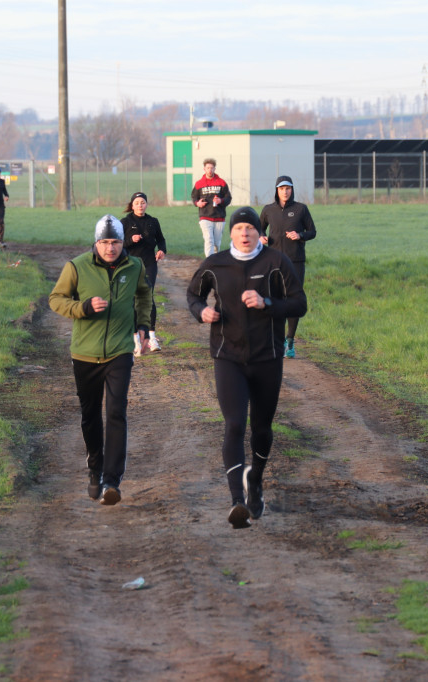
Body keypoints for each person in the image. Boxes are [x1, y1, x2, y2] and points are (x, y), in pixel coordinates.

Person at [186, 207, 307, 528]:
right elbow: (193, 295)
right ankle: (236, 501)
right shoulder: (216, 264)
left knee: (262, 429)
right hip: (228, 357)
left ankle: (255, 480)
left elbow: (299, 303)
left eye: (249, 228)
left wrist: (267, 303)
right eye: (238, 228)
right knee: (235, 425)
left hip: (268, 357)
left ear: (258, 232)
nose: (244, 233)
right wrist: (202, 312)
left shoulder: (276, 262)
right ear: (231, 232)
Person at [49, 215, 154, 506]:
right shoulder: (77, 267)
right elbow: (56, 299)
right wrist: (82, 307)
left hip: (120, 352)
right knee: (90, 415)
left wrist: (143, 326)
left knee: (116, 413)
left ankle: (112, 480)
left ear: (123, 243)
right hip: (84, 353)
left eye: (116, 242)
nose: (111, 248)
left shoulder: (134, 266)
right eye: (105, 242)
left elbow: (144, 295)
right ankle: (95, 468)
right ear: (96, 243)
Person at [259, 175, 317, 359]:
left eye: (288, 188)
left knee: (293, 300)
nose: (285, 191)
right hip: (274, 262)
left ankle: (290, 341)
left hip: (295, 261)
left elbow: (312, 232)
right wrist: (261, 237)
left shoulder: (301, 209)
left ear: (292, 190)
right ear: (277, 190)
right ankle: (278, 340)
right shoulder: (269, 210)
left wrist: (300, 235)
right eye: (282, 188)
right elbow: (258, 228)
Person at [121, 191, 167, 355]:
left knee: (147, 296)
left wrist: (162, 250)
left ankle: (152, 338)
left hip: (149, 263)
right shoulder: (125, 222)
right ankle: (136, 341)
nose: (140, 205)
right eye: (137, 203)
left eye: (143, 202)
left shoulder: (153, 221)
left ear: (146, 204)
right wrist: (129, 240)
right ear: (132, 205)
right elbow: (119, 244)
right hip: (131, 265)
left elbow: (161, 239)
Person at [191, 158, 232, 257]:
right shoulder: (199, 184)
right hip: (205, 217)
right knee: (209, 239)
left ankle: (216, 261)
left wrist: (220, 201)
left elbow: (228, 198)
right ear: (204, 169)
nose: (210, 170)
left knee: (216, 244)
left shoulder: (221, 183)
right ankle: (209, 263)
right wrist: (197, 203)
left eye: (212, 168)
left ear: (215, 169)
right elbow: (194, 197)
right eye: (208, 168)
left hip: (219, 217)